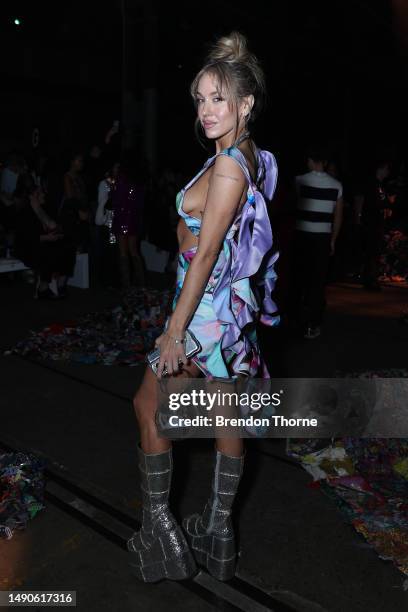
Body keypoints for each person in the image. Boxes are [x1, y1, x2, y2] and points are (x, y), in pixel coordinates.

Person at [127, 32, 279, 583]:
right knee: (225, 414)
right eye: (200, 98)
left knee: (148, 406)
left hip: (202, 315)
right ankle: (218, 537)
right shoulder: (247, 157)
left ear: (245, 104)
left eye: (219, 98)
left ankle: (162, 536)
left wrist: (174, 332)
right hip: (228, 314)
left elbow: (209, 249)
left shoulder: (228, 167)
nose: (206, 110)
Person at [289, 145, 343, 339]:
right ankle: (313, 324)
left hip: (301, 235)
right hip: (322, 237)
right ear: (325, 162)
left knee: (297, 280)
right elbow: (338, 217)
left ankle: (293, 321)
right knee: (317, 282)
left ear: (309, 160)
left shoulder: (299, 181)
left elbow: (294, 207)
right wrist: (333, 240)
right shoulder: (336, 185)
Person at [354, 159, 394, 291]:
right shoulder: (370, 183)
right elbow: (360, 198)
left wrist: (388, 207)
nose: (388, 172)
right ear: (381, 169)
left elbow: (384, 202)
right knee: (371, 251)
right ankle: (370, 280)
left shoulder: (381, 185)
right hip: (370, 221)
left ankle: (371, 278)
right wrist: (358, 216)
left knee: (375, 251)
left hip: (378, 222)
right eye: (387, 169)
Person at [112, 153, 145, 288]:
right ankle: (141, 283)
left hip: (122, 217)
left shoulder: (121, 179)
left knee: (123, 253)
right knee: (134, 251)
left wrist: (112, 190)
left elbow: (117, 199)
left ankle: (126, 284)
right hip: (134, 218)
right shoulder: (139, 179)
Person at [95, 162, 120, 287]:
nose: (118, 169)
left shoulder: (121, 182)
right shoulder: (104, 184)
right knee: (107, 252)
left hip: (119, 223)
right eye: (116, 167)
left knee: (116, 252)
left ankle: (114, 280)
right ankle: (105, 281)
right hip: (107, 223)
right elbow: (102, 204)